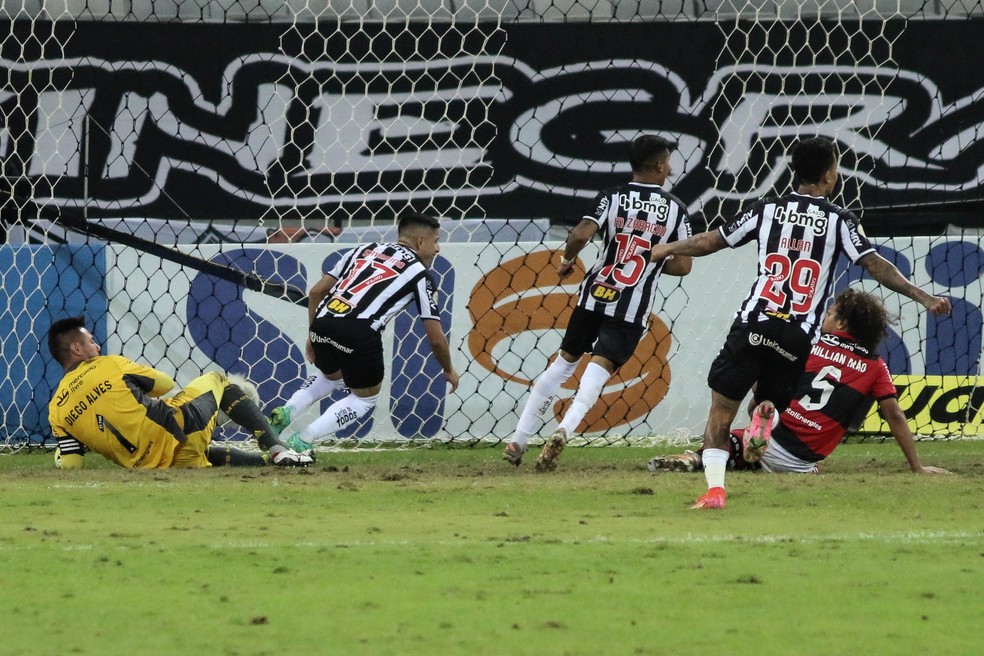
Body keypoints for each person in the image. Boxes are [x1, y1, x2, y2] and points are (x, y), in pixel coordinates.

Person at [649, 136, 951, 509]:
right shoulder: (840, 220)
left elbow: (713, 241)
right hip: (796, 335)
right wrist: (924, 297)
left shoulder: (766, 209)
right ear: (828, 176)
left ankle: (715, 490)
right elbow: (875, 265)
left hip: (755, 322)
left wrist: (668, 247)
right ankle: (768, 414)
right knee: (769, 399)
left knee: (721, 415)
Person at [503, 135, 694, 471]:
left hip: (595, 291)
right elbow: (683, 266)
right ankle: (565, 427)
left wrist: (566, 259)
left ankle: (518, 438)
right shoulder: (676, 209)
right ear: (661, 165)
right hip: (631, 302)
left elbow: (579, 234)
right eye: (669, 162)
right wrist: (656, 257)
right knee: (601, 366)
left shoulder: (612, 196)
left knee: (564, 362)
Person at [647, 289, 950, 476]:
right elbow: (894, 415)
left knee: (743, 425)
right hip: (800, 458)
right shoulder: (875, 367)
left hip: (779, 429)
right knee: (801, 463)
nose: (824, 319)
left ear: (841, 324)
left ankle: (698, 457)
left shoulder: (812, 343)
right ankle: (779, 446)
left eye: (829, 314)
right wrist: (917, 467)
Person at [273, 211, 460, 451]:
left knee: (335, 378)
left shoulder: (361, 250)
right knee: (365, 398)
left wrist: (312, 334)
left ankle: (287, 410)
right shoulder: (420, 274)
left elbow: (316, 293)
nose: (438, 249)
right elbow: (435, 338)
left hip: (323, 323)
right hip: (359, 332)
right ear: (421, 242)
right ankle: (304, 440)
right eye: (436, 241)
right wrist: (448, 369)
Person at [47, 316, 313, 469]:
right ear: (77, 349)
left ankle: (266, 463)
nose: (97, 345)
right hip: (178, 432)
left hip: (154, 466)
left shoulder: (56, 409)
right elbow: (165, 384)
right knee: (218, 380)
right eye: (91, 341)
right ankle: (277, 448)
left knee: (201, 454)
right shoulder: (109, 363)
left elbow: (72, 464)